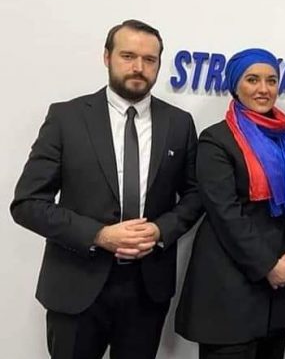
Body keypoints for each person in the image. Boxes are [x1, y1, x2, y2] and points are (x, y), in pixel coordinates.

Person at [10, 19, 202, 359]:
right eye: (128, 56)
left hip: (146, 290)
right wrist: (99, 235)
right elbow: (28, 203)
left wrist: (160, 230)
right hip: (75, 285)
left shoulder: (179, 123)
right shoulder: (67, 117)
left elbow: (195, 194)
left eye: (149, 59)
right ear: (107, 57)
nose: (138, 67)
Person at [175, 48, 285, 359]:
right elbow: (225, 213)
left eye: (271, 80)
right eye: (252, 80)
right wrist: (268, 266)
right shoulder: (216, 139)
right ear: (235, 85)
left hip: (280, 290)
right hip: (229, 287)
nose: (263, 89)